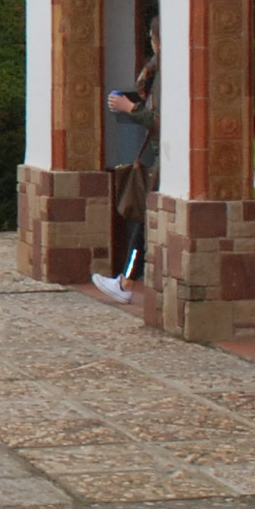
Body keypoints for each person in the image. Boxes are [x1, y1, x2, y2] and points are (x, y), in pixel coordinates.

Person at [96, 20, 162, 303]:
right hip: (161, 157)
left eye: (151, 37)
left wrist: (130, 108)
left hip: (165, 160)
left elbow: (161, 121)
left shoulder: (164, 76)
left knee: (145, 223)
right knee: (146, 222)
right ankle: (126, 281)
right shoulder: (159, 73)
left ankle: (126, 282)